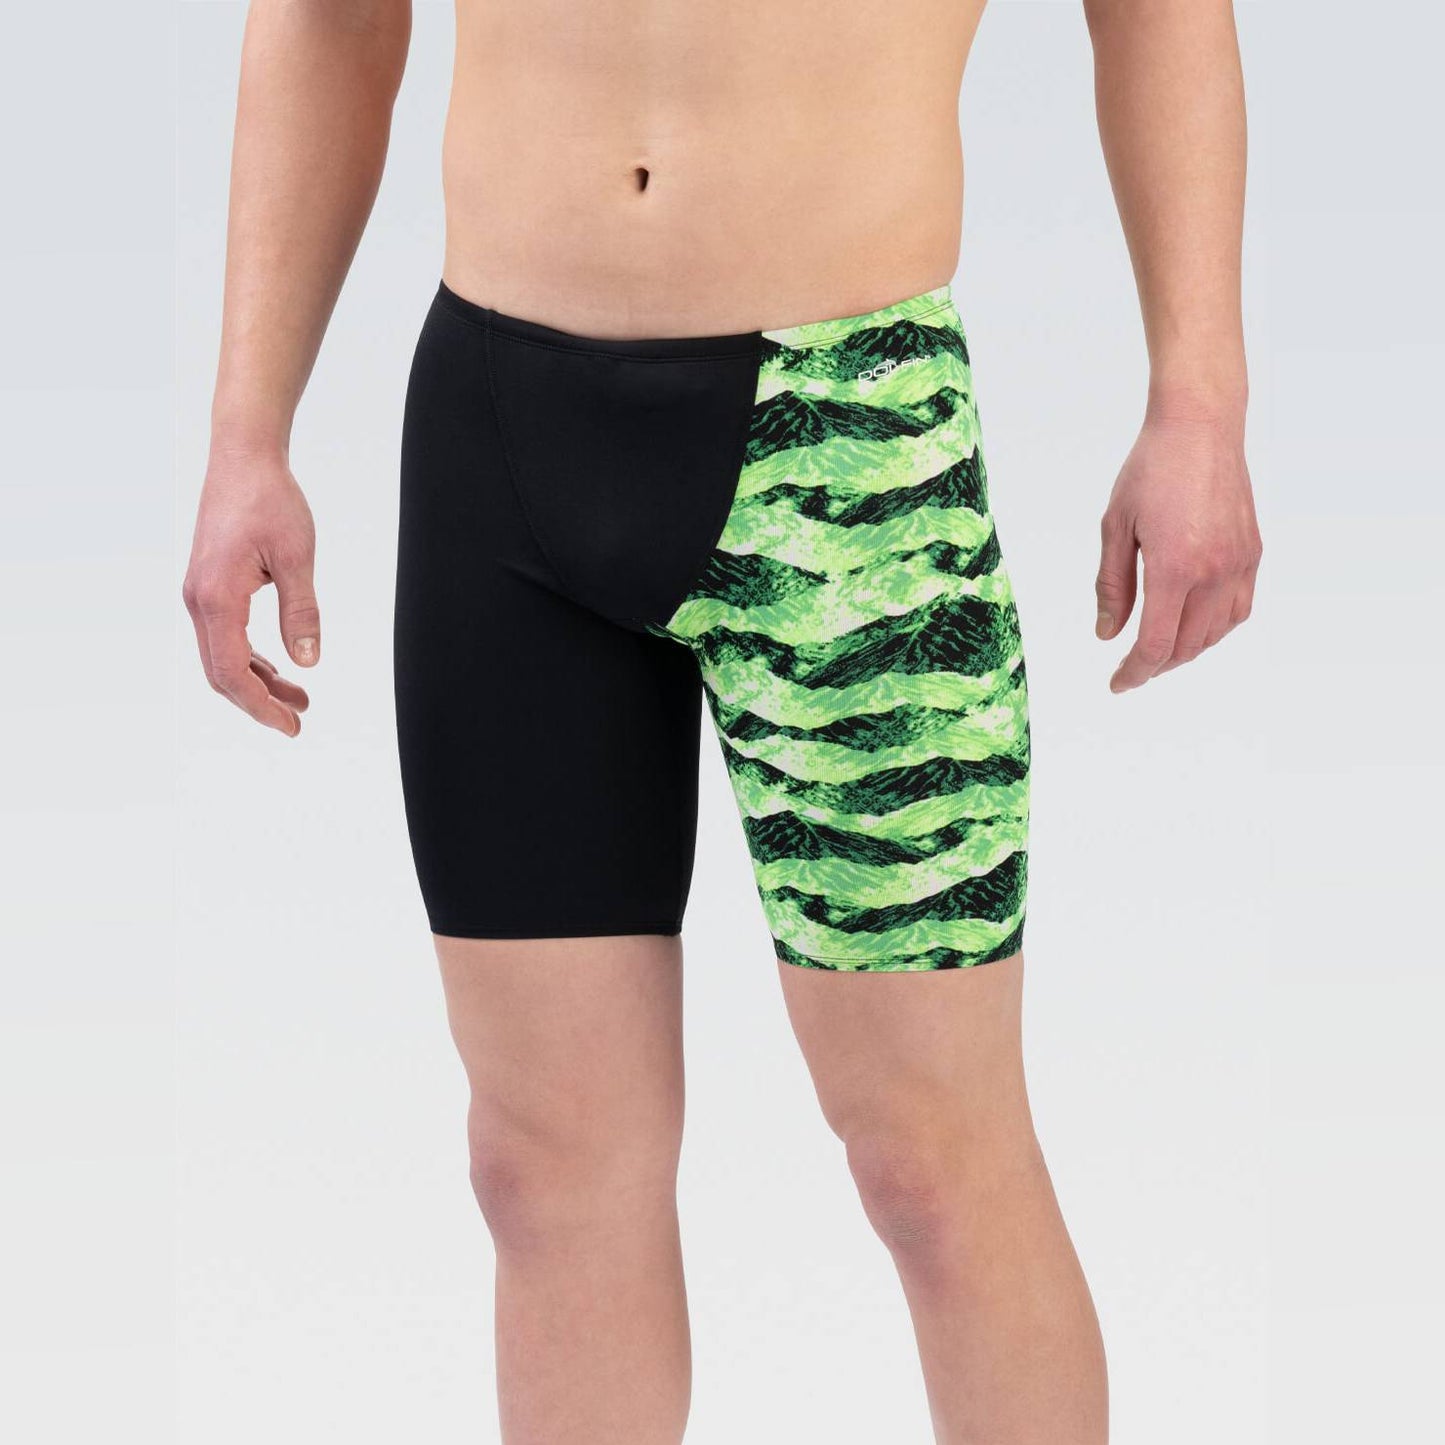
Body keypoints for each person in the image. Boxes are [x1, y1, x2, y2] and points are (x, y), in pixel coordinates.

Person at [182, 1, 1261, 1440]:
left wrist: (1199, 402)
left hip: (849, 447)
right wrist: (246, 434)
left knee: (930, 1165)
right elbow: (327, 19)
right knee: (538, 1168)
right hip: (497, 438)